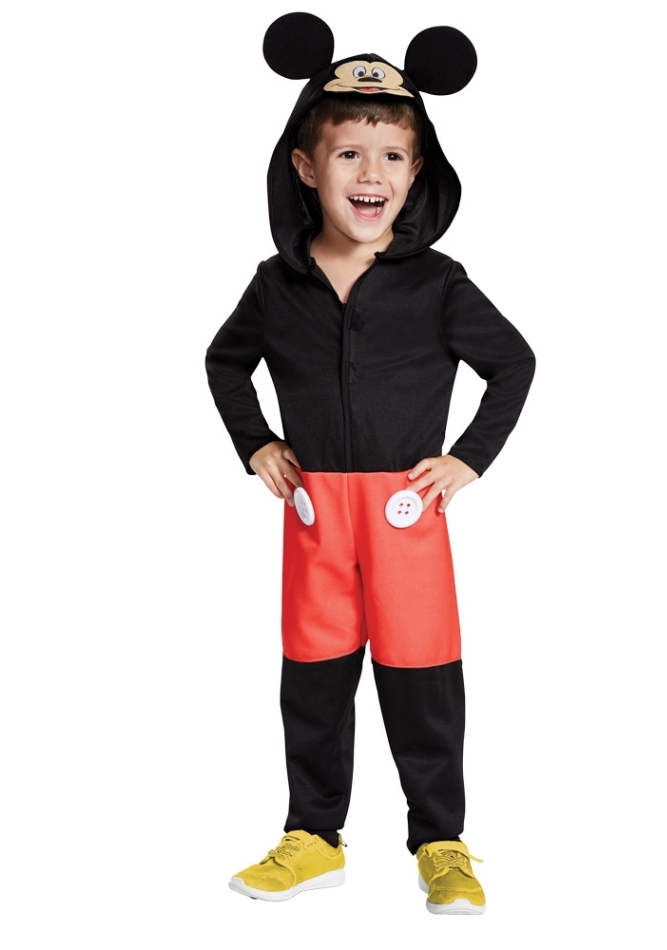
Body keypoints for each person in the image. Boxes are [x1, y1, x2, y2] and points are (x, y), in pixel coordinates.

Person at [205, 14, 535, 915]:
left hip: (405, 516)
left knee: (423, 679)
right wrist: (256, 442)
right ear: (307, 167)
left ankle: (441, 842)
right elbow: (224, 362)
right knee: (313, 678)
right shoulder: (276, 284)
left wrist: (466, 460)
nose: (371, 174)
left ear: (417, 172)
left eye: (391, 156)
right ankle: (314, 836)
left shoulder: (438, 283)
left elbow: (514, 364)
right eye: (349, 154)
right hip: (314, 515)